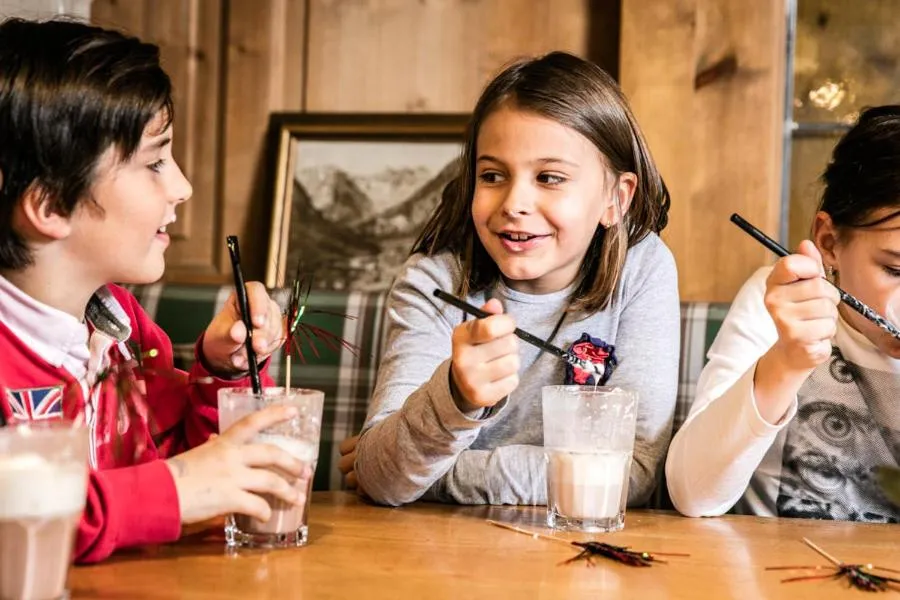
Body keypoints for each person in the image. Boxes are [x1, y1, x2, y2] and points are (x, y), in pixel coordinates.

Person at [0, 18, 310, 563]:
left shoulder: (122, 328)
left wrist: (224, 374)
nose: (183, 188)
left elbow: (191, 477)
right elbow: (15, 523)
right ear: (49, 204)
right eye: (154, 162)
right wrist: (175, 488)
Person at [338, 51, 679, 506]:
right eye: (493, 175)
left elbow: (631, 474)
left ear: (616, 199)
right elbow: (382, 478)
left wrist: (434, 476)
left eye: (550, 177)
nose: (515, 202)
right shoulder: (436, 280)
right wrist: (455, 397)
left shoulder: (641, 271)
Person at [666, 105, 900, 522]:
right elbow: (693, 493)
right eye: (895, 269)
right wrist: (786, 362)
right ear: (829, 242)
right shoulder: (778, 302)